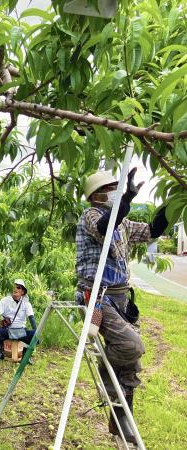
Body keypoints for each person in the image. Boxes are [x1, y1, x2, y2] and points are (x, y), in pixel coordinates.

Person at [76, 168, 168, 443]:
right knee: (131, 346)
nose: (117, 189)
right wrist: (125, 200)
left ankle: (122, 417)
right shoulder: (91, 215)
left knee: (131, 364)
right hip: (97, 296)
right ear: (97, 194)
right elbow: (104, 227)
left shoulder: (123, 222)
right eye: (113, 187)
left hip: (121, 297)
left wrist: (171, 203)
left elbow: (152, 230)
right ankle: (107, 380)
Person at [0, 279, 37, 363]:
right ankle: (0, 353)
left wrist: (36, 331)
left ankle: (26, 356)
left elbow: (31, 318)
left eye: (18, 287)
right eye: (14, 287)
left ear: (22, 292)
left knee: (36, 337)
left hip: (20, 331)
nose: (15, 289)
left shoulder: (26, 303)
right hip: (7, 330)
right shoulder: (5, 300)